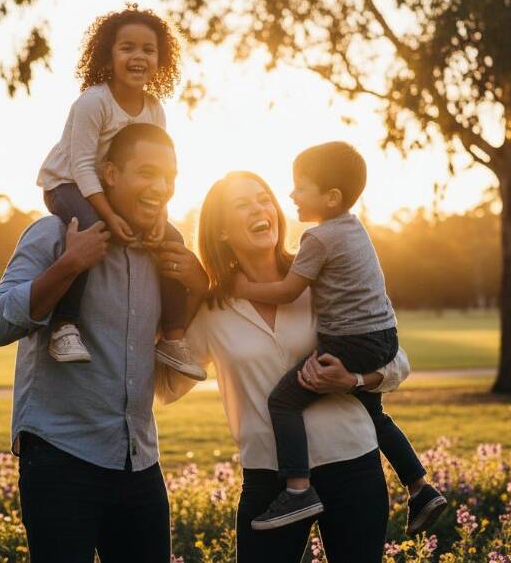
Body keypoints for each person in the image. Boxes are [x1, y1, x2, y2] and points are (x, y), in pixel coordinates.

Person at [156, 171, 410, 562]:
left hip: (352, 463)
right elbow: (166, 388)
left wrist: (355, 378)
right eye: (243, 204)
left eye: (263, 198)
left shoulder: (323, 277)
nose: (260, 208)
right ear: (221, 232)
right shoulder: (213, 309)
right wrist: (190, 296)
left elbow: (397, 360)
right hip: (268, 478)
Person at [0, 124, 200, 563]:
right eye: (147, 172)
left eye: (170, 177)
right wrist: (68, 265)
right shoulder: (52, 234)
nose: (161, 187)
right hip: (61, 462)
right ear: (109, 173)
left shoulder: (164, 253)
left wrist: (199, 285)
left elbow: (174, 364)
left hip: (139, 462)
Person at [230, 143, 446, 535]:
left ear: (330, 198)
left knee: (283, 400)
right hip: (383, 336)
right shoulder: (354, 227)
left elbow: (288, 291)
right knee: (373, 414)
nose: (291, 195)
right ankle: (420, 487)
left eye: (300, 187)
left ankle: (297, 489)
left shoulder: (319, 238)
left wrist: (242, 286)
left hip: (349, 341)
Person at [35, 5, 204, 380]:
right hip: (66, 184)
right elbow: (81, 167)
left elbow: (158, 171)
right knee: (93, 230)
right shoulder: (93, 102)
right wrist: (110, 217)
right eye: (127, 47)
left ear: (160, 60)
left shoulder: (155, 110)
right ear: (108, 55)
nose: (138, 56)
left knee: (172, 239)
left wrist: (159, 218)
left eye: (148, 49)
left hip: (110, 190)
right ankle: (64, 326)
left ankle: (173, 339)